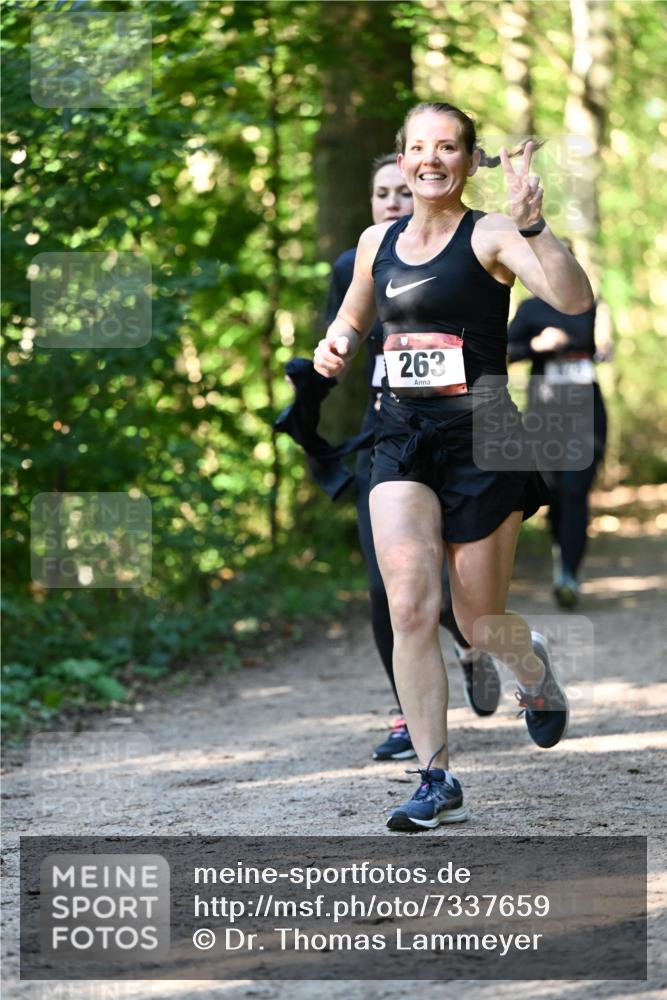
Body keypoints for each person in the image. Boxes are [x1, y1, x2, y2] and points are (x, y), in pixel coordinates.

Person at [314, 101, 593, 832]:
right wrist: (335, 344)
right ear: (401, 160)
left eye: (446, 147)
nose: (430, 159)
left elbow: (571, 299)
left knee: (477, 623)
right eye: (416, 147)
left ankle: (527, 667)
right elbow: (352, 314)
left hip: (485, 434)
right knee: (409, 603)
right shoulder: (378, 241)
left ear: (470, 161)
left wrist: (533, 223)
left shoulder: (492, 232)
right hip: (399, 435)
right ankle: (434, 777)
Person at [324, 154, 502, 763]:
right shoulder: (360, 262)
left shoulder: (463, 249)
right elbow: (343, 329)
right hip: (389, 439)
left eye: (402, 191)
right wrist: (329, 353)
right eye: (382, 192)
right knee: (391, 590)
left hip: (465, 434)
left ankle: (477, 649)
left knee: (466, 602)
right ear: (371, 202)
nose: (393, 201)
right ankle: (410, 722)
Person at [507, 275, 608, 608]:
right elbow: (502, 352)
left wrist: (604, 345)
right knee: (554, 492)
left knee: (577, 492)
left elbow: (603, 349)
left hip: (586, 414)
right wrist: (537, 345)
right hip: (544, 416)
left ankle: (568, 574)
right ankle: (561, 551)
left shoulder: (590, 306)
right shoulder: (531, 309)